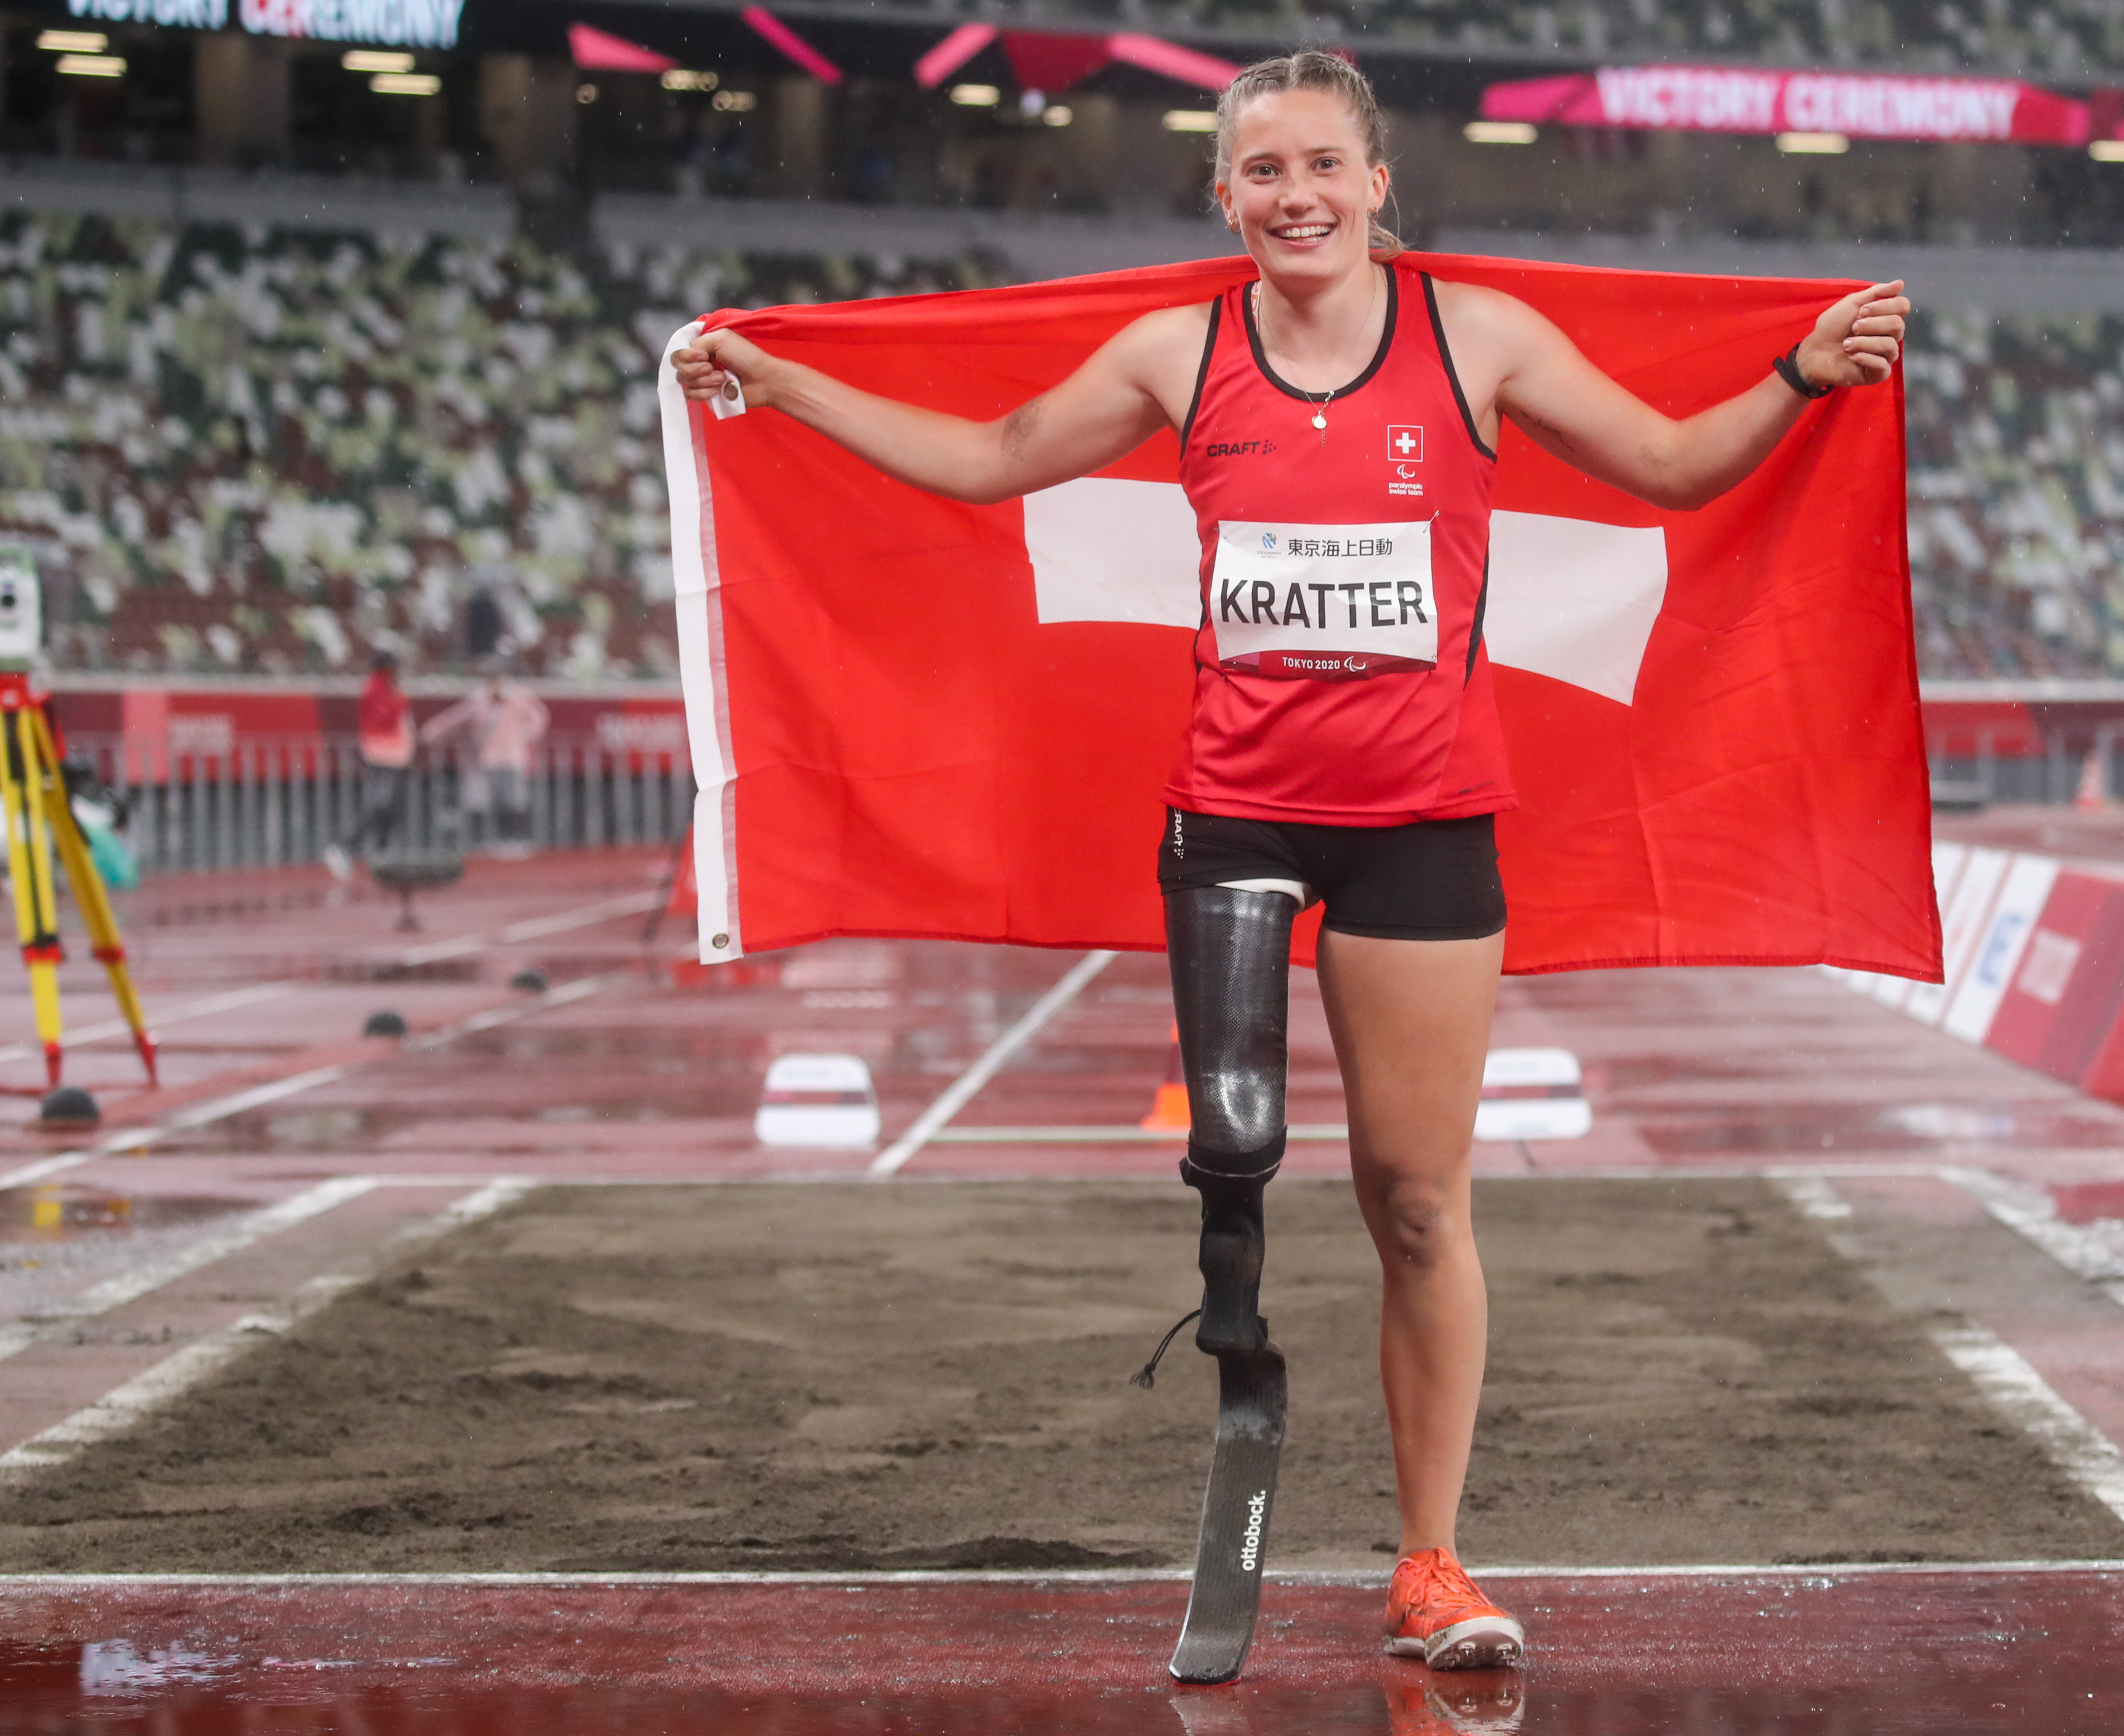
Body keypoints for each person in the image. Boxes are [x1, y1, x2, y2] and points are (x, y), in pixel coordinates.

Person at [674, 50, 1908, 1672]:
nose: (1295, 196)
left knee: (1413, 1199)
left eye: (1322, 165)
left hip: (1422, 825)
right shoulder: (1176, 354)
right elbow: (989, 456)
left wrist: (1798, 374)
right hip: (1235, 823)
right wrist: (782, 379)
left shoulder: (1473, 335)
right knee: (1232, 1175)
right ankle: (1241, 1407)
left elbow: (1671, 468)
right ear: (1224, 195)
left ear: (1376, 180)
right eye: (1262, 172)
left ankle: (1428, 1556)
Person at [421, 666, 550, 858]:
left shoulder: (518, 697)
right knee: (496, 801)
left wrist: (525, 737)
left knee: (514, 800)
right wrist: (434, 729)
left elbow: (539, 718)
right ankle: (501, 840)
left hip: (513, 757)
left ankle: (517, 840)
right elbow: (458, 716)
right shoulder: (479, 699)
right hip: (490, 758)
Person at [326, 649, 413, 879]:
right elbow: (382, 720)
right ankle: (344, 847)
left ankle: (381, 853)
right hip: (382, 755)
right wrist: (399, 703)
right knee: (380, 805)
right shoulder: (375, 689)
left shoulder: (389, 689)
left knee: (393, 810)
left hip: (397, 756)